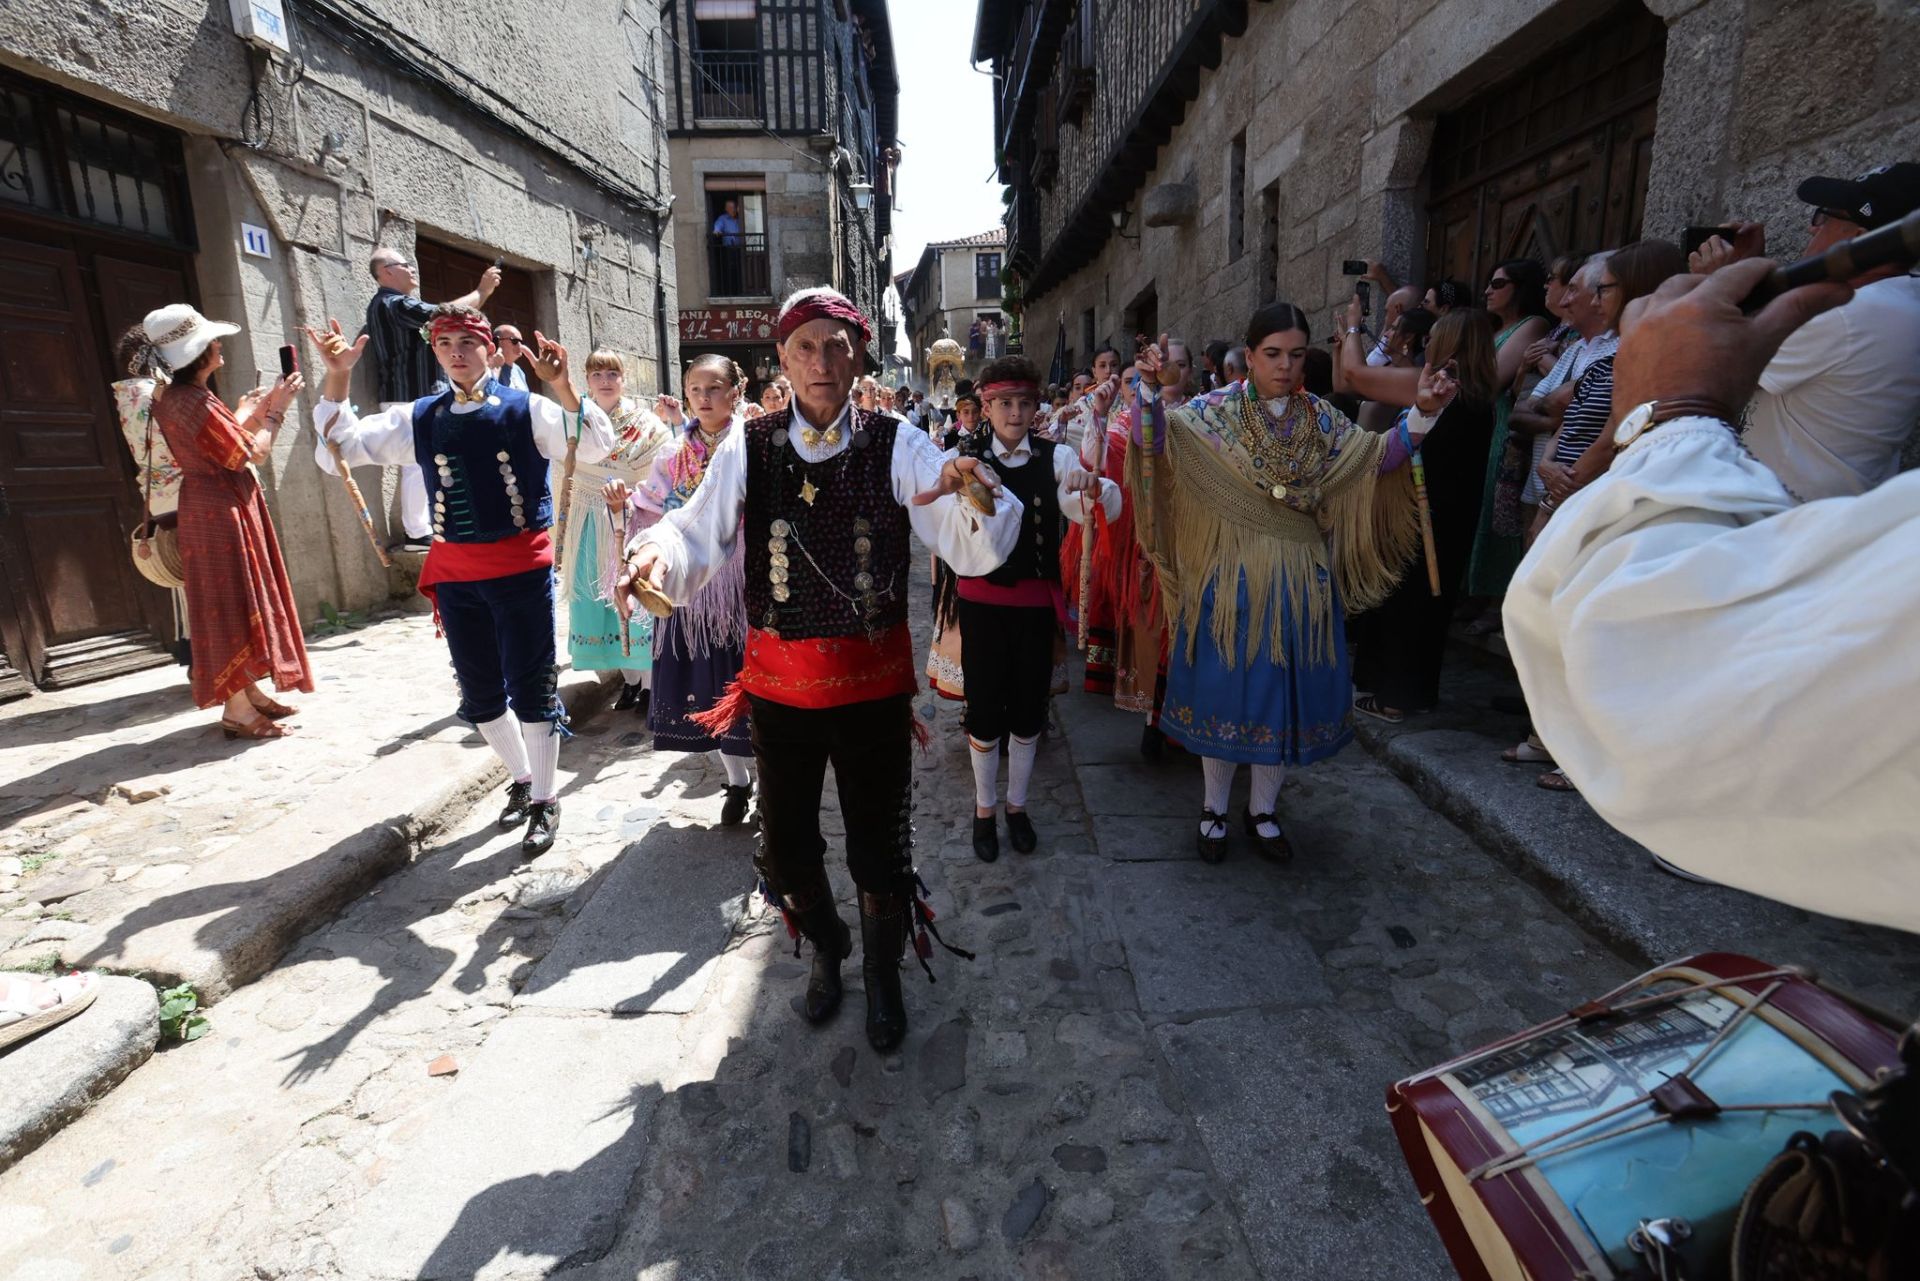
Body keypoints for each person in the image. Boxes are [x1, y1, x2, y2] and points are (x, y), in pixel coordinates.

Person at [619, 286, 1020, 1053]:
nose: (821, 361)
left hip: (871, 689)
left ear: (859, 353)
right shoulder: (751, 443)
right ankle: (830, 943)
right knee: (785, 847)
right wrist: (654, 555)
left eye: (836, 345)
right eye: (804, 346)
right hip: (779, 689)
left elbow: (962, 533)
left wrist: (973, 495)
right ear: (782, 359)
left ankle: (883, 968)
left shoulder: (899, 442)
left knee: (880, 846)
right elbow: (696, 529)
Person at [1502, 256, 1917, 933]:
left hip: (1754, 528)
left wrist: (1677, 415)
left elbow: (1651, 670)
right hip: (1765, 523)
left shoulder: (1870, 316)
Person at [308, 306, 613, 855]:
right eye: (444, 341)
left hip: (521, 568)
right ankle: (522, 781)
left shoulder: (527, 408)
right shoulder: (420, 416)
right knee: (479, 692)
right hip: (455, 575)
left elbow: (591, 445)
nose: (456, 351)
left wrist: (564, 386)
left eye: (467, 342)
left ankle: (546, 798)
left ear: (488, 349)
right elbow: (339, 453)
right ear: (435, 350)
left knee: (533, 686)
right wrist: (337, 378)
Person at [1130, 305, 1429, 862]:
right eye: (1273, 354)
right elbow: (1156, 448)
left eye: (1296, 354)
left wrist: (1424, 416)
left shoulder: (1320, 418)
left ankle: (1262, 811)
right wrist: (1147, 391)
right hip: (1227, 578)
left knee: (1279, 700)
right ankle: (1214, 810)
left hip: (1298, 580)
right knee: (1226, 695)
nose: (1286, 366)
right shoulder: (1210, 413)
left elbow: (1374, 459)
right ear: (1249, 356)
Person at [955, 356, 1120, 861]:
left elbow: (1101, 503)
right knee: (983, 711)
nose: (1015, 412)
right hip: (980, 604)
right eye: (1004, 403)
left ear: (1034, 407)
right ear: (986, 405)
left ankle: (1017, 806)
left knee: (1028, 710)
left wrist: (1097, 487)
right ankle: (984, 811)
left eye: (1025, 403)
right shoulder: (963, 457)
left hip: (1033, 604)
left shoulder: (1056, 458)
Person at [128, 306, 314, 738]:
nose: (219, 344)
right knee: (230, 601)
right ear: (199, 352)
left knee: (233, 596)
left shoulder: (180, 397)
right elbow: (250, 454)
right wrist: (276, 411)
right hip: (220, 511)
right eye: (213, 340)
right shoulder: (193, 401)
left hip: (212, 504)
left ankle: (247, 693)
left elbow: (220, 443)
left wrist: (247, 412)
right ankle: (237, 710)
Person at [1688, 163, 1920, 501]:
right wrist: (1748, 273)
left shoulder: (1845, 312)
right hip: (1828, 510)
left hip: (1778, 516)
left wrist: (1715, 285)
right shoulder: (1901, 300)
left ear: (1859, 239)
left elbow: (1710, 366)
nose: (1812, 230)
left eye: (1823, 217)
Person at [1350, 311, 1500, 719]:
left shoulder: (1447, 389)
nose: (1428, 342)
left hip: (1423, 512)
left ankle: (1394, 697)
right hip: (1450, 511)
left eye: (1435, 336)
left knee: (1408, 604)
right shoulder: (1477, 393)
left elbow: (1354, 375)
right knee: (1428, 604)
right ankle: (1408, 692)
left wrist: (1350, 326)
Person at [630, 355, 758, 824]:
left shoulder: (754, 446)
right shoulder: (671, 456)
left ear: (736, 392)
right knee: (707, 688)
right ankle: (737, 783)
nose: (704, 398)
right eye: (695, 390)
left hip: (746, 589)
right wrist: (624, 512)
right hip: (692, 592)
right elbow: (651, 510)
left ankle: (769, 788)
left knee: (752, 689)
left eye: (714, 388)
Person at [363, 247, 500, 552]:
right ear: (386, 272)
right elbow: (443, 315)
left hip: (412, 396)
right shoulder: (392, 303)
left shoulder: (391, 306)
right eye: (404, 265)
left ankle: (426, 526)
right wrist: (481, 290)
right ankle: (416, 533)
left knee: (427, 462)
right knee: (418, 464)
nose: (412, 269)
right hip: (409, 396)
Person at [563, 350, 675, 712]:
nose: (605, 381)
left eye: (613, 373)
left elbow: (665, 463)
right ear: (587, 380)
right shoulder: (575, 419)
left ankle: (650, 686)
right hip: (588, 518)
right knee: (601, 604)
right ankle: (629, 683)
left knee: (634, 602)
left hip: (631, 517)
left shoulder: (645, 424)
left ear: (623, 379)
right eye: (597, 374)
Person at [1463, 258, 1554, 608]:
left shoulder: (1532, 325)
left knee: (1498, 510)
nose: (1487, 290)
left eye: (1498, 284)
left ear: (1521, 288)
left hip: (1503, 426)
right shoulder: (1497, 329)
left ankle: (1496, 597)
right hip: (1485, 427)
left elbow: (1490, 382)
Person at [712, 200, 743, 296]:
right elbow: (717, 227)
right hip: (728, 250)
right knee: (730, 271)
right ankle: (731, 292)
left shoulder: (741, 218)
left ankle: (742, 290)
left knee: (741, 271)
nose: (732, 210)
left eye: (733, 207)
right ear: (726, 209)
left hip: (742, 250)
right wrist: (716, 231)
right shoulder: (723, 219)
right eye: (729, 208)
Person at [490, 325, 531, 392]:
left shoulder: (519, 371)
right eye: (515, 341)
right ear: (497, 341)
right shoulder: (487, 369)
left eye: (521, 342)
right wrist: (494, 370)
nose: (520, 346)